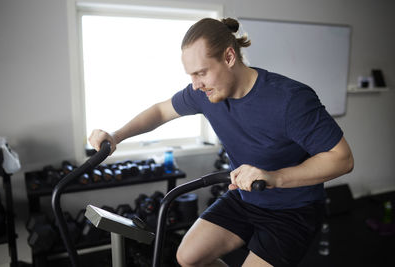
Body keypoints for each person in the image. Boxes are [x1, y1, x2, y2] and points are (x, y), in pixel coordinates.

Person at [89, 17, 354, 267]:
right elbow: (160, 111)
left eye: (201, 73)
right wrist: (116, 136)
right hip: (245, 198)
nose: (195, 85)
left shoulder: (290, 100)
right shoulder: (204, 94)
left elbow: (342, 159)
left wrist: (274, 177)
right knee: (188, 257)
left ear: (229, 57)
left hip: (294, 209)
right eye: (191, 75)